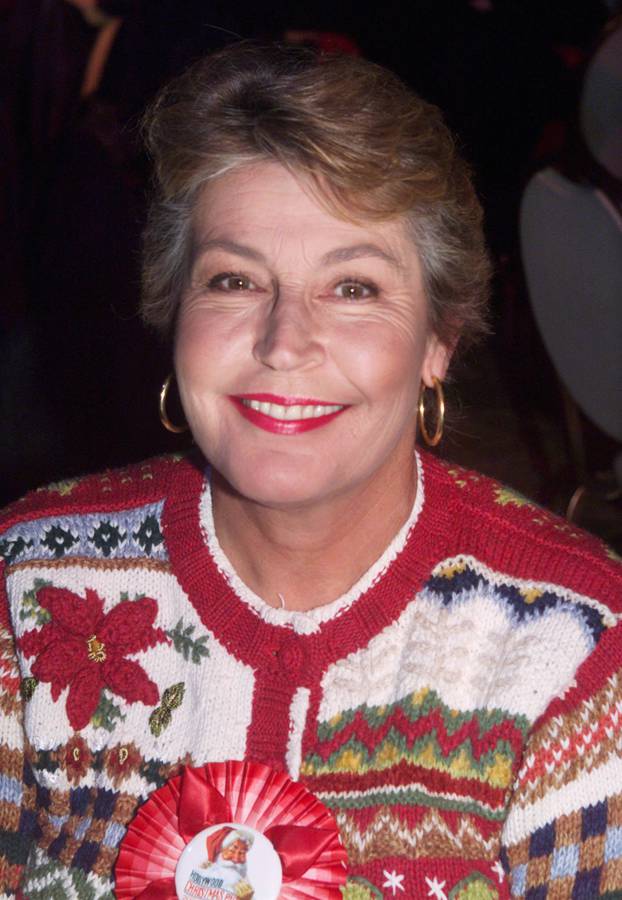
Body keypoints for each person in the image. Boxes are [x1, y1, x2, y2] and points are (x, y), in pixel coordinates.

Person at [0, 42, 620, 900]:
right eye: (234, 279)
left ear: (439, 339)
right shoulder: (29, 584)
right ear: (174, 309)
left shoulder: (577, 647)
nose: (284, 342)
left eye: (354, 288)